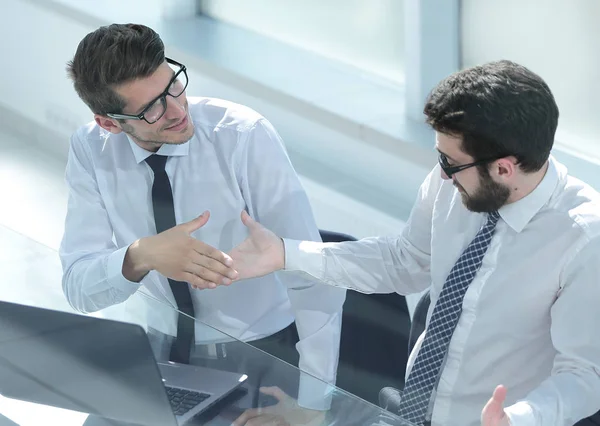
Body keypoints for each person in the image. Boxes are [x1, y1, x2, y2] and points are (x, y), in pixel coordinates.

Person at [227, 60, 600, 426]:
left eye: (450, 162)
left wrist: (521, 419)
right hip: (411, 412)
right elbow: (404, 262)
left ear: (503, 168)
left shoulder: (583, 239)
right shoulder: (454, 180)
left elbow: (585, 375)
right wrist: (286, 253)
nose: (441, 172)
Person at [59, 22, 346, 416]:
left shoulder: (244, 136)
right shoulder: (91, 148)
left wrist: (315, 404)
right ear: (109, 123)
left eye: (172, 85)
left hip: (258, 353)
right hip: (154, 352)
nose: (177, 110)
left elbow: (313, 275)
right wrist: (141, 255)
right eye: (150, 108)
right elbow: (79, 287)